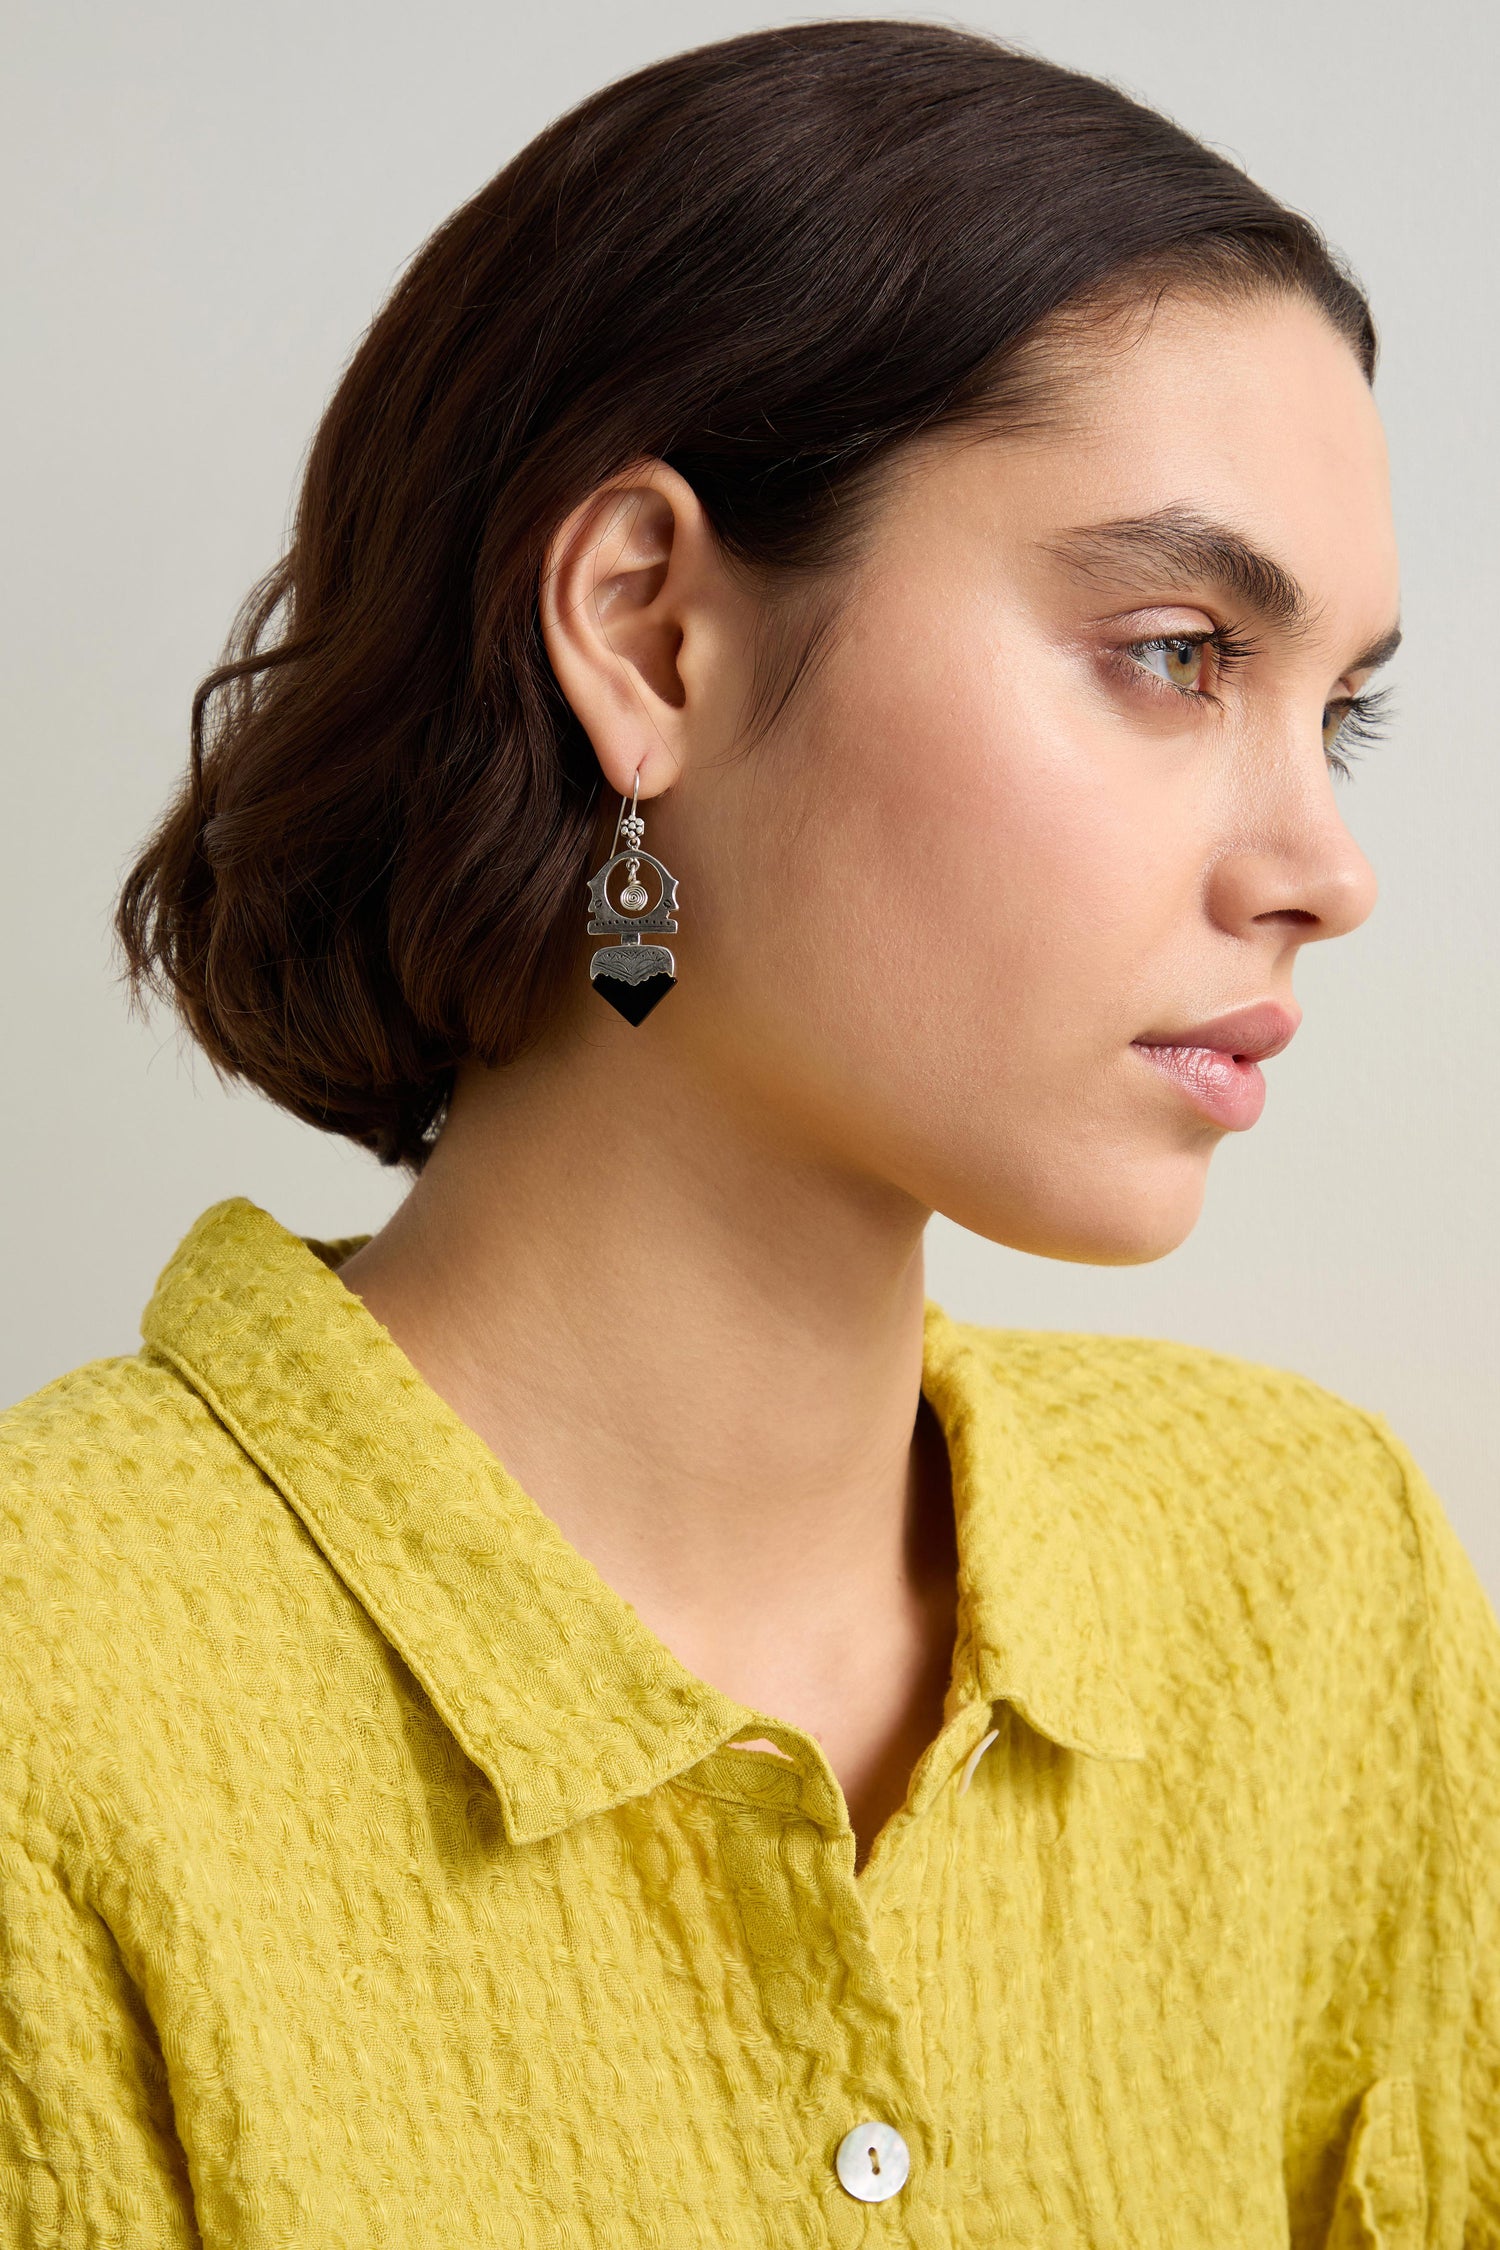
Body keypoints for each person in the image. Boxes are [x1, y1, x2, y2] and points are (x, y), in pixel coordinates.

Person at [2, 19, 1495, 2245]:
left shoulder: (1312, 1576)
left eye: (1338, 708)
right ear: (652, 634)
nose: (1323, 865)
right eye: (1181, 652)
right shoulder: (55, 1673)